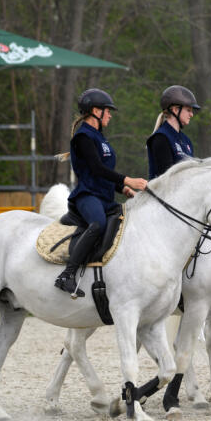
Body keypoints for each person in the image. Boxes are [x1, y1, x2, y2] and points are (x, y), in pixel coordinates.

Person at [55, 88, 148, 297]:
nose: (110, 115)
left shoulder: (100, 137)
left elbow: (104, 174)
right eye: (107, 110)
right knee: (97, 224)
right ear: (95, 111)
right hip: (87, 196)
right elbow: (96, 169)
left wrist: (122, 189)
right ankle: (67, 275)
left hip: (105, 197)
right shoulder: (83, 137)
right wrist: (128, 180)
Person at [147, 85, 199, 180]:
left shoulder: (186, 140)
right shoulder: (161, 138)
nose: (191, 114)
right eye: (188, 110)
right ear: (175, 110)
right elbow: (167, 178)